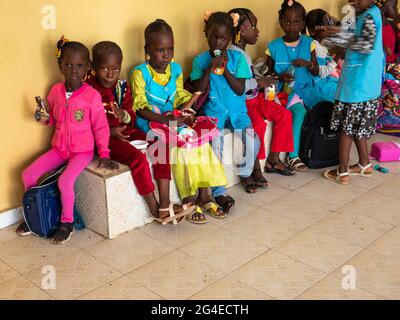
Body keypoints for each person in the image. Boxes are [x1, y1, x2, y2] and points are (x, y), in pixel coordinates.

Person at [18, 36, 118, 244]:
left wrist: (105, 153)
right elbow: (53, 119)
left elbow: (101, 127)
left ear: (88, 68)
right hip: (59, 149)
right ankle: (35, 215)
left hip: (82, 152)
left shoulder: (91, 97)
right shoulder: (56, 91)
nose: (74, 70)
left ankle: (67, 222)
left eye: (80, 66)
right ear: (60, 66)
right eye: (69, 65)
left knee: (65, 181)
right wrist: (44, 119)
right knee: (28, 174)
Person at [130, 20, 226, 224]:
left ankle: (205, 194)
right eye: (160, 50)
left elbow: (179, 97)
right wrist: (165, 119)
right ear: (147, 50)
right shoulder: (140, 73)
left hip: (173, 120)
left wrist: (187, 108)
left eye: (170, 49)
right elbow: (139, 107)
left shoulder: (175, 69)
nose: (166, 55)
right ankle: (188, 198)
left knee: (198, 140)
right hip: (151, 123)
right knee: (181, 148)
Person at [190, 11, 261, 214]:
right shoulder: (200, 60)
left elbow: (240, 89)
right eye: (214, 37)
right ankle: (219, 191)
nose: (218, 42)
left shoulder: (238, 58)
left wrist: (225, 69)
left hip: (238, 112)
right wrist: (209, 69)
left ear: (230, 39)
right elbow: (198, 90)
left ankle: (246, 172)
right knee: (216, 145)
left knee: (252, 139)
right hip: (214, 113)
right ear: (206, 34)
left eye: (223, 38)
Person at [228, 7, 295, 179]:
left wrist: (266, 78)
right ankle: (255, 166)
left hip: (256, 97)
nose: (257, 31)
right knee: (258, 125)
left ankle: (273, 159)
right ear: (242, 30)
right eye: (254, 27)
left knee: (285, 115)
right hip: (245, 102)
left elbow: (249, 76)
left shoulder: (243, 53)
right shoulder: (234, 55)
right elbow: (238, 85)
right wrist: (259, 82)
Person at [323, 0, 384, 184]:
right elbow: (359, 36)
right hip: (367, 84)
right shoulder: (368, 12)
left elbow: (364, 45)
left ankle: (342, 171)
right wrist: (340, 28)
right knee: (357, 126)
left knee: (346, 130)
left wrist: (337, 36)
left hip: (358, 85)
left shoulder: (370, 17)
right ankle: (364, 164)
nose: (353, 2)